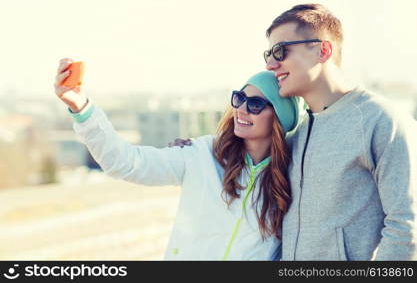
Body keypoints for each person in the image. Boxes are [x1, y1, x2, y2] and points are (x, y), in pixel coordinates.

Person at [54, 60, 301, 260]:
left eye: (256, 104)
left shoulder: (293, 175)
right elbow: (126, 163)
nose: (242, 109)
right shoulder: (202, 155)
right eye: (239, 98)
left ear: (280, 118)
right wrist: (82, 109)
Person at [264, 3, 417, 260]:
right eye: (268, 54)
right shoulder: (296, 133)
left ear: (323, 50)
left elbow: (407, 223)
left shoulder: (381, 119)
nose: (271, 64)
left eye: (280, 51)